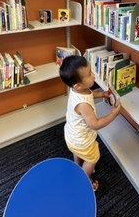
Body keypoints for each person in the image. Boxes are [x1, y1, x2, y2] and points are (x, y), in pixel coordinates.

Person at [60, 55, 121, 191]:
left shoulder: (76, 89)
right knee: (92, 158)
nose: (93, 75)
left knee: (78, 152)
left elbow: (90, 93)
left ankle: (77, 165)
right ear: (78, 85)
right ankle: (85, 179)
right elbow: (95, 124)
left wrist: (102, 94)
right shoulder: (83, 105)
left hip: (72, 135)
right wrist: (113, 114)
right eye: (89, 74)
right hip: (82, 141)